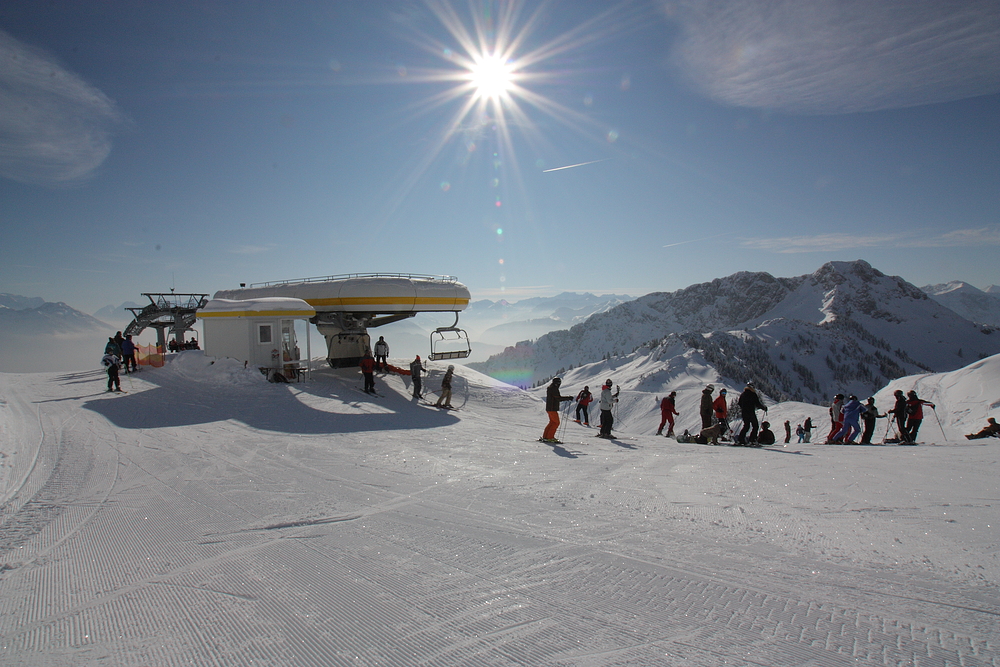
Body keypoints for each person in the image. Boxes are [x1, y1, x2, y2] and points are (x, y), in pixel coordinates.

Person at [540, 378, 573, 443]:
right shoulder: (554, 389)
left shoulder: (551, 388)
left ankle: (546, 436)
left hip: (549, 408)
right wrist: (568, 398)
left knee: (552, 422)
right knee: (556, 423)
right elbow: (558, 398)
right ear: (557, 383)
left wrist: (567, 398)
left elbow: (557, 398)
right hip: (552, 409)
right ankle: (550, 437)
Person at [737, 381, 767, 445]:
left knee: (746, 426)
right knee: (755, 426)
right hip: (751, 412)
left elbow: (739, 403)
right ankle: (752, 440)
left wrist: (744, 408)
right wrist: (763, 407)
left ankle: (740, 439)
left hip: (744, 413)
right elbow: (757, 404)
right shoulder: (753, 394)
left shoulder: (743, 394)